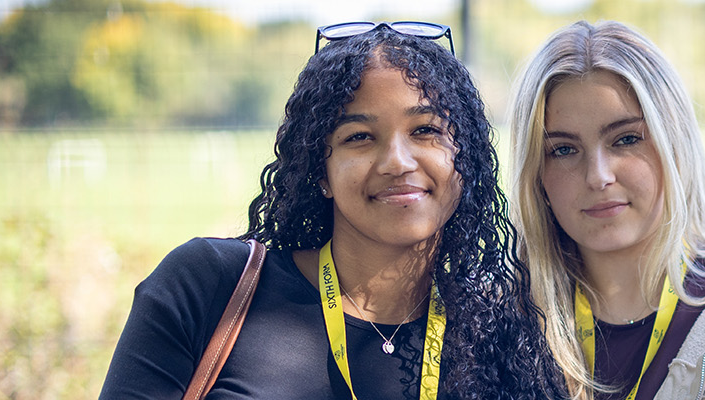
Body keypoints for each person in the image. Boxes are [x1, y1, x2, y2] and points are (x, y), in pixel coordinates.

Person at [100, 22, 564, 399]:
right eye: (359, 137)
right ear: (319, 170)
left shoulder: (503, 331)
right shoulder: (207, 287)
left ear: (466, 160)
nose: (398, 162)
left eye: (426, 130)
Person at [505, 21, 705, 400]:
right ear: (535, 175)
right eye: (563, 149)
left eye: (626, 139)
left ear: (675, 143)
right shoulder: (496, 317)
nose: (598, 176)